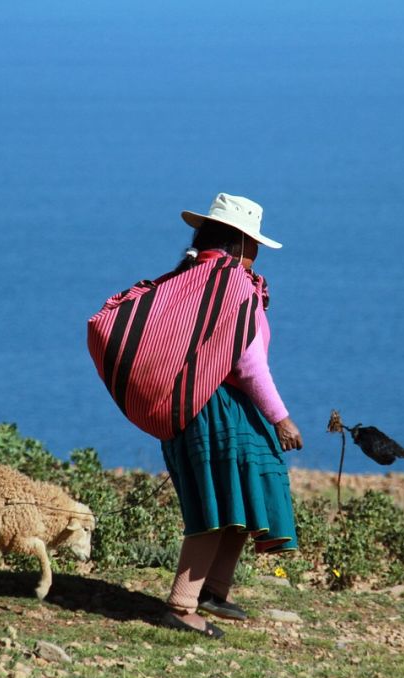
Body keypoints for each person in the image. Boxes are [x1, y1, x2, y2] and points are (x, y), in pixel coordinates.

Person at [159, 193, 303, 638]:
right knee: (219, 501)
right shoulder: (233, 286)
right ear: (241, 242)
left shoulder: (188, 277)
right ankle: (183, 605)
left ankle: (214, 590)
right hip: (218, 408)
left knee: (236, 491)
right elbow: (247, 361)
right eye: (254, 243)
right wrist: (280, 416)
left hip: (188, 406)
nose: (256, 253)